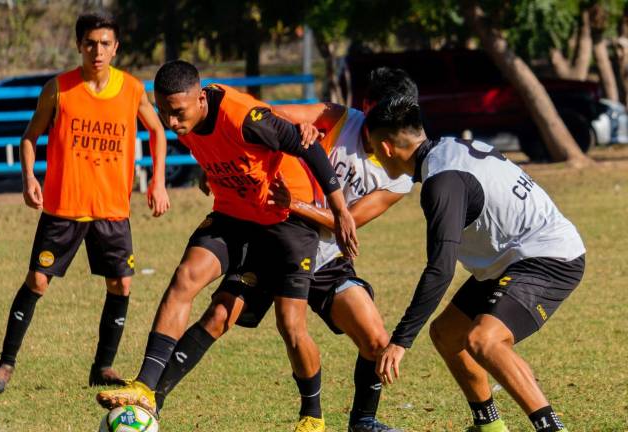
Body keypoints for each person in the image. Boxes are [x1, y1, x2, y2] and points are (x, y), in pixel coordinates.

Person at [96, 60, 358, 432]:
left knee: (290, 325)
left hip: (286, 221)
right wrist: (211, 171)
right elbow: (220, 149)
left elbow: (307, 146)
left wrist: (340, 211)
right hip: (235, 215)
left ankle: (313, 416)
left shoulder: (244, 117)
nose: (171, 122)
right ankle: (145, 388)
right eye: (164, 112)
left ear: (201, 99)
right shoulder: (186, 118)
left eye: (178, 112)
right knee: (187, 280)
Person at [148, 68, 416, 432]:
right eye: (379, 114)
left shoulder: (399, 178)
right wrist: (219, 162)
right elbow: (265, 117)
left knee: (376, 340)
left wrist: (296, 204)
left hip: (325, 257)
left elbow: (345, 222)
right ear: (367, 106)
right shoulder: (337, 118)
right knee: (219, 316)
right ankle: (151, 400)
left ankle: (362, 421)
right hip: (274, 233)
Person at [366, 95, 586, 432]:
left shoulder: (442, 183)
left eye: (371, 150)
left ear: (386, 148)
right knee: (447, 333)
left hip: (549, 257)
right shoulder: (450, 146)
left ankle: (552, 428)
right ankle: (489, 426)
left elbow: (441, 268)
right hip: (511, 258)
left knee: (485, 340)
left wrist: (400, 340)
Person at [0, 12, 170, 394]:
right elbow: (29, 137)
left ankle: (103, 367)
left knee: (121, 284)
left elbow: (157, 130)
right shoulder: (59, 88)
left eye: (105, 43)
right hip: (64, 207)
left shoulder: (132, 89)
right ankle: (5, 365)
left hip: (111, 209)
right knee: (37, 280)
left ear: (116, 48)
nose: (97, 50)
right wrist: (29, 177)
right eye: (90, 43)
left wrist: (158, 182)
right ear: (79, 45)